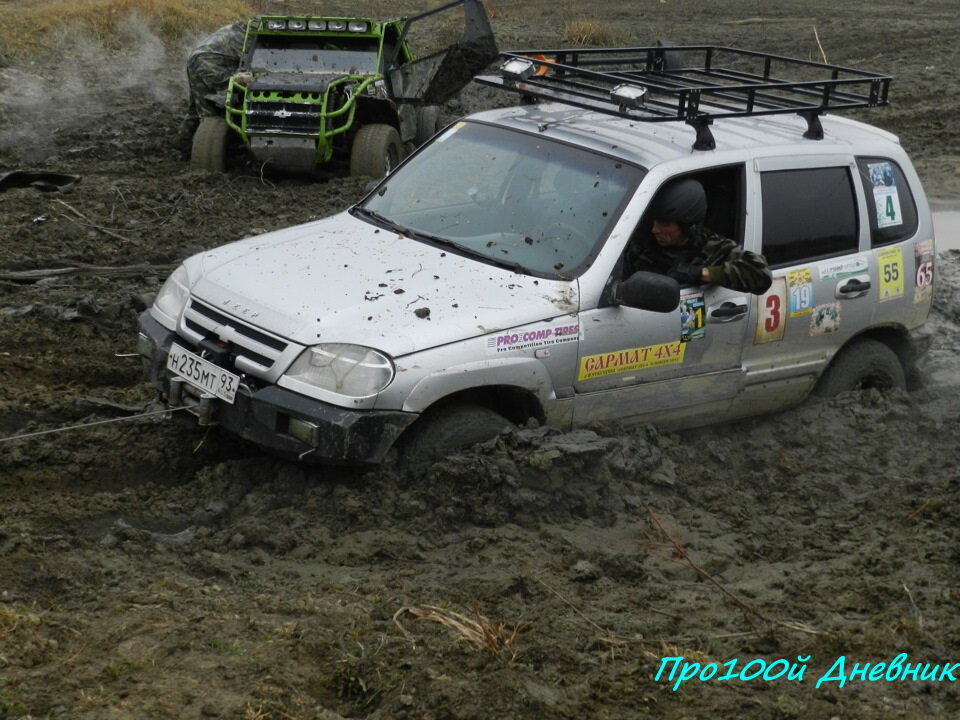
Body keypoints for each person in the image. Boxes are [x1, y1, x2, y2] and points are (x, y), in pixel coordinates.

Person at [630, 178, 773, 295]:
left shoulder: (713, 248)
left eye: (665, 225)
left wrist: (701, 273)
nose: (655, 230)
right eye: (654, 223)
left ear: (687, 226)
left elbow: (762, 274)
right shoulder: (643, 243)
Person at [177, 20, 247, 152]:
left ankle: (183, 142)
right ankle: (207, 149)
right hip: (209, 65)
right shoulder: (250, 37)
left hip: (197, 59)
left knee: (196, 106)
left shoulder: (237, 28)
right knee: (212, 112)